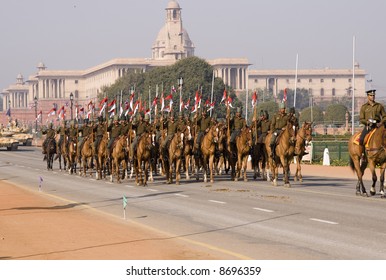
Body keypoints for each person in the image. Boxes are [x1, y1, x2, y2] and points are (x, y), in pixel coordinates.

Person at [359, 89, 386, 158]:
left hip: (378, 126)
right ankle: (362, 154)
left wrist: (381, 123)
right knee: (361, 139)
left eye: (373, 95)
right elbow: (361, 119)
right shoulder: (364, 107)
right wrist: (367, 122)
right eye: (371, 95)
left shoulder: (379, 106)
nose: (372, 96)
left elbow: (384, 116)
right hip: (369, 126)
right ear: (368, 96)